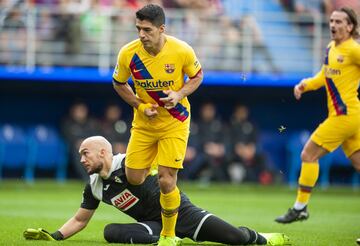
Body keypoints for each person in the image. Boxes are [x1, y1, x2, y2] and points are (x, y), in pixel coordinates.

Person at [23, 136, 291, 246]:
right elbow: (80, 220)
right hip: (153, 225)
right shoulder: (94, 185)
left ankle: (266, 238)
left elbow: (159, 162)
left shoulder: (132, 162)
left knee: (235, 238)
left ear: (103, 152)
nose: (81, 160)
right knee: (110, 232)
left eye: (85, 154)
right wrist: (53, 236)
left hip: (182, 213)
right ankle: (170, 240)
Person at [112, 4, 203, 246]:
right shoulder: (128, 54)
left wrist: (179, 93)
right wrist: (139, 105)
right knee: (134, 177)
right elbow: (119, 83)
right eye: (138, 29)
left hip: (176, 121)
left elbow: (197, 76)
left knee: (166, 179)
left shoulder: (181, 50)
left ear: (161, 29)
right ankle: (154, 164)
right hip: (144, 124)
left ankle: (169, 235)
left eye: (147, 29)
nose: (141, 34)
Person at [275, 7, 360, 224]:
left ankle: (300, 207)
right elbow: (324, 76)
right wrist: (306, 85)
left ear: (350, 27)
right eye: (332, 20)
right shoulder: (331, 47)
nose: (333, 25)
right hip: (349, 118)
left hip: (345, 115)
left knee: (308, 155)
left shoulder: (353, 50)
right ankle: (300, 208)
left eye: (339, 22)